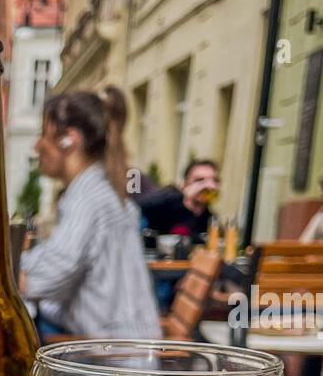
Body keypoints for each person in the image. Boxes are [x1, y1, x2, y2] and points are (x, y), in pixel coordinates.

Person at [20, 90, 161, 341]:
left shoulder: (89, 197)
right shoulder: (97, 188)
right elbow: (55, 256)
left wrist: (0, 278)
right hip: (121, 348)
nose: (37, 145)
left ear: (69, 140)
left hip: (115, 363)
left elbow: (53, 272)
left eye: (43, 134)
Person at [137, 158, 219, 243]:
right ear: (185, 183)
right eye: (200, 180)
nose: (208, 186)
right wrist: (184, 196)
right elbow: (139, 206)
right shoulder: (169, 202)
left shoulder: (210, 218)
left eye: (214, 180)